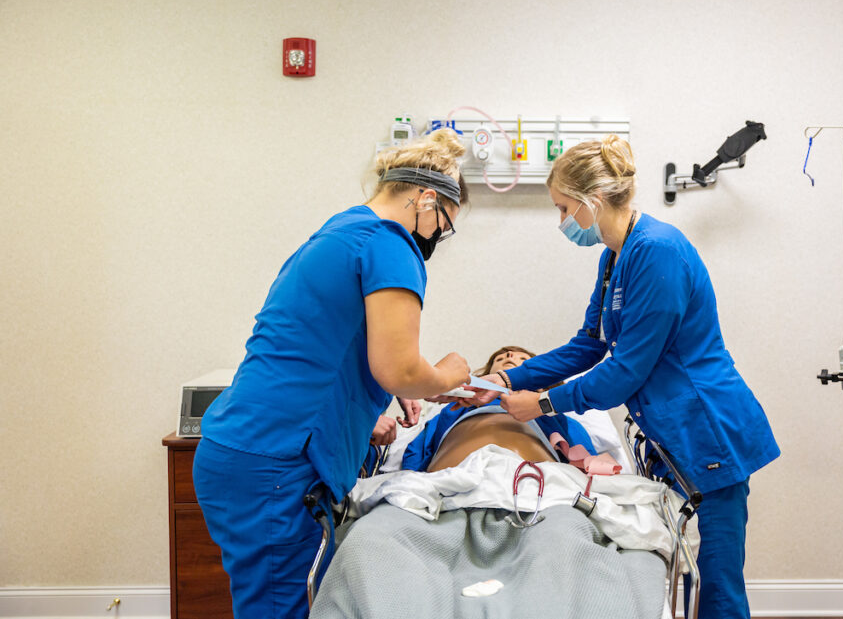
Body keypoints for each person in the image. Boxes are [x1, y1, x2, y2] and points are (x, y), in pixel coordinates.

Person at [469, 135, 780, 619]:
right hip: (671, 435)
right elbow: (588, 345)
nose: (561, 221)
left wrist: (543, 403)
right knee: (680, 579)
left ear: (592, 202)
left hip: (706, 432)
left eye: (563, 208)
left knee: (716, 588)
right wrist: (508, 381)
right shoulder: (614, 257)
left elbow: (624, 372)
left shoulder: (659, 253)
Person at [192, 129, 473, 619]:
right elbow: (401, 368)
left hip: (242, 450)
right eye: (442, 224)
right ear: (427, 199)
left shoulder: (340, 230)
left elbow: (327, 344)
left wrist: (377, 398)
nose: (435, 238)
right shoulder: (390, 246)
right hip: (277, 467)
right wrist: (448, 374)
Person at [401, 346, 597, 472]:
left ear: (542, 384)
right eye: (500, 358)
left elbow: (587, 463)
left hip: (533, 490)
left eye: (522, 358)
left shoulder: (553, 413)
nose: (509, 355)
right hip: (454, 478)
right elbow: (419, 449)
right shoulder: (454, 407)